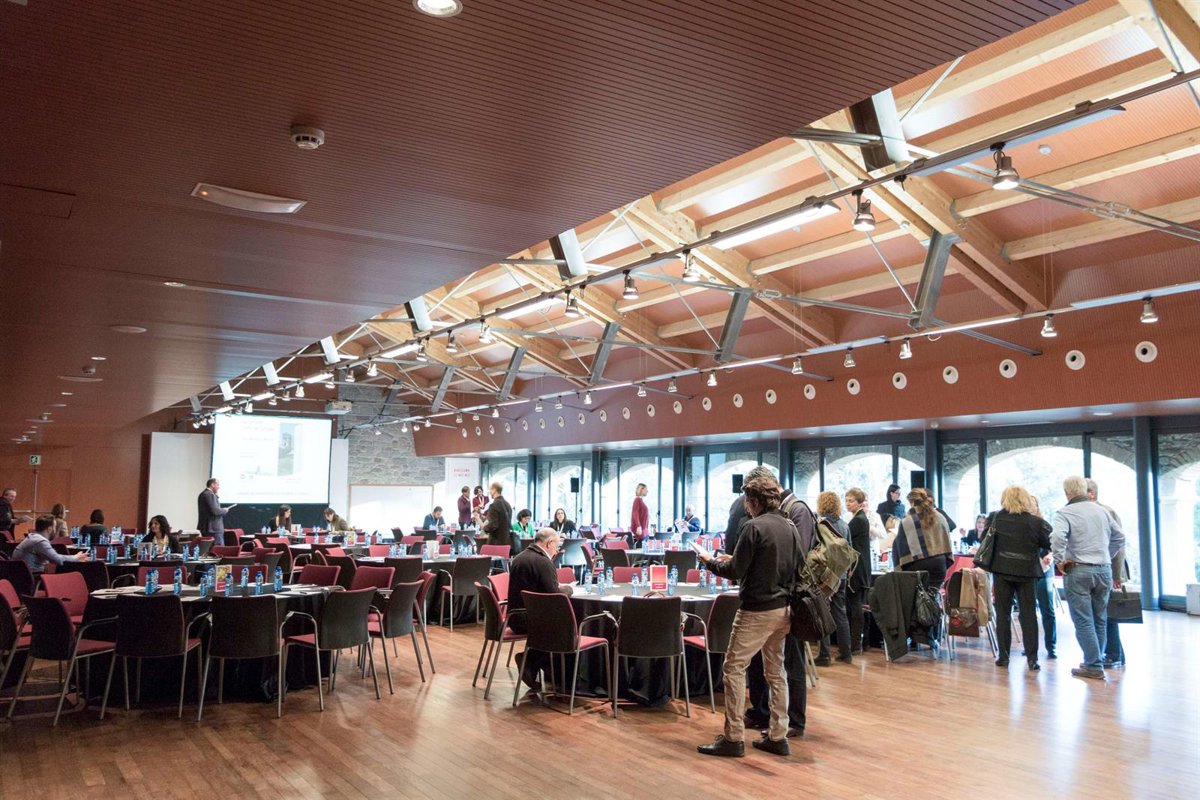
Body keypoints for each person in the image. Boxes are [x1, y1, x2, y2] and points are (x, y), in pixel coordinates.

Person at [696, 475, 799, 758]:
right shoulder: (789, 526)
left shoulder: (753, 527)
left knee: (733, 668)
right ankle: (778, 735)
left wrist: (709, 562)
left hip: (756, 609)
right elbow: (791, 565)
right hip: (783, 609)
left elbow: (736, 572)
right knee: (776, 672)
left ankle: (733, 737)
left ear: (753, 502)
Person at [745, 466, 812, 738]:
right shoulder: (779, 512)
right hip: (776, 599)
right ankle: (766, 714)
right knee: (770, 664)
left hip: (792, 599)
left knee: (792, 663)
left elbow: (797, 557)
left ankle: (795, 721)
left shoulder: (798, 510)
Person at [1051, 475, 1125, 680]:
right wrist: (1106, 555)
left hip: (1079, 570)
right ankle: (1096, 661)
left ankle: (1093, 665)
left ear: (1067, 492)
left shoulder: (1065, 513)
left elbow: (1057, 537)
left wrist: (1059, 560)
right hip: (1104, 570)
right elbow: (1120, 537)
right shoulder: (1102, 511)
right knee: (1100, 619)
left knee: (1083, 620)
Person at [985, 486, 1052, 670]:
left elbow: (985, 540)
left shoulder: (996, 518)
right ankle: (1032, 659)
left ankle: (1003, 657)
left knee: (1003, 615)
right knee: (1028, 615)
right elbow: (1049, 542)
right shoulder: (1035, 522)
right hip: (1027, 572)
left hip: (1002, 571)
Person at [508, 528, 574, 689]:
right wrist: (569, 589)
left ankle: (540, 665)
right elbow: (554, 596)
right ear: (549, 543)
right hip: (530, 620)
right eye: (556, 546)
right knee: (567, 624)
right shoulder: (543, 562)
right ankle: (557, 673)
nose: (556, 551)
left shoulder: (519, 558)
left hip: (515, 616)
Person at [1087, 479, 1127, 669]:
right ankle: (1112, 653)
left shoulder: (1107, 512)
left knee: (1108, 614)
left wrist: (1117, 575)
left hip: (1107, 570)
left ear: (1091, 493)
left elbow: (1119, 544)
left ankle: (1113, 654)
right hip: (1096, 571)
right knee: (1100, 614)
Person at [814, 491, 853, 667]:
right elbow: (850, 551)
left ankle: (824, 655)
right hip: (841, 575)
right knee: (840, 613)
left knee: (823, 613)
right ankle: (846, 653)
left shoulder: (820, 525)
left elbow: (815, 550)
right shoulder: (845, 525)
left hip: (824, 576)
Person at [892, 488, 952, 588]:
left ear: (912, 502)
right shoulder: (940, 517)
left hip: (917, 567)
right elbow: (947, 542)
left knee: (916, 595)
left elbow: (899, 548)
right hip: (939, 565)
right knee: (933, 593)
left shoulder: (907, 521)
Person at [844, 487, 871, 655]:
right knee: (856, 606)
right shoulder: (859, 519)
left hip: (857, 568)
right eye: (846, 500)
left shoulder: (858, 521)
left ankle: (855, 645)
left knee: (855, 607)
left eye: (851, 501)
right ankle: (859, 643)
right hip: (861, 567)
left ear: (860, 503)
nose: (848, 504)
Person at [1030, 494, 1057, 660]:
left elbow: (1055, 547)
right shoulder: (1022, 526)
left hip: (1045, 570)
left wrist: (1050, 556)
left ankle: (1051, 646)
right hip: (1029, 571)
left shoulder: (1045, 525)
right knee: (1028, 611)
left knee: (1047, 609)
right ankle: (1030, 646)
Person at [14, 515, 88, 573]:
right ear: (49, 529)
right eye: (54, 527)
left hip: (22, 576)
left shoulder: (31, 537)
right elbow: (57, 559)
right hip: (35, 578)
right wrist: (76, 557)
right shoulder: (40, 541)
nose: (55, 530)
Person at [482, 482, 514, 554]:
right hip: (507, 543)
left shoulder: (494, 505)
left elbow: (493, 525)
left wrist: (485, 528)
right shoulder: (508, 505)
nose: (490, 492)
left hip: (495, 543)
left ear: (494, 490)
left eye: (490, 490)